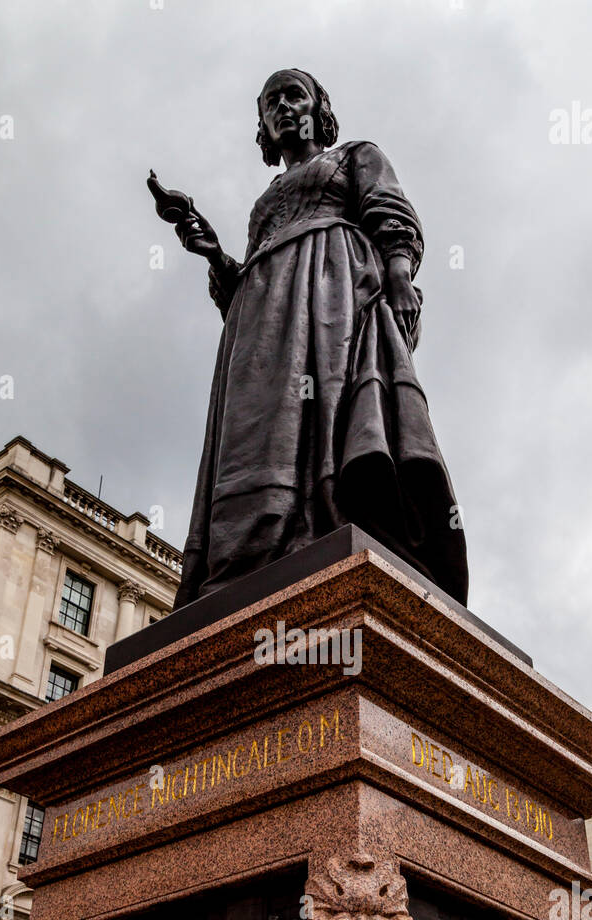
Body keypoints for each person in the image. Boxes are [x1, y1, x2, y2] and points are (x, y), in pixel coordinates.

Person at [152, 69, 468, 608]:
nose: (282, 108)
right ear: (263, 129)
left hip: (331, 290)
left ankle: (325, 521)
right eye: (269, 103)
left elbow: (390, 212)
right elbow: (242, 287)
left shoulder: (353, 156)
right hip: (259, 324)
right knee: (258, 432)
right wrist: (212, 252)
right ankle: (254, 547)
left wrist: (398, 277)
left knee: (327, 413)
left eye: (293, 94)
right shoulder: (267, 198)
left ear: (320, 107)